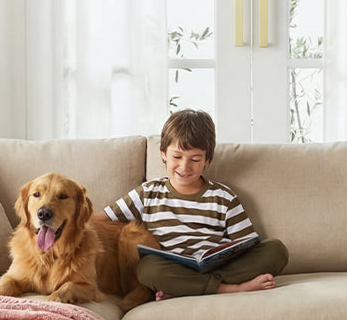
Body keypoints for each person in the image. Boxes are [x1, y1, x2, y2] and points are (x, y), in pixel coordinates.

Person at [103, 109, 288, 300]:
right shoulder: (147, 193)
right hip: (173, 268)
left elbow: (248, 245)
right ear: (163, 154)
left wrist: (229, 254)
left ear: (207, 160)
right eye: (177, 157)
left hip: (217, 266)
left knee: (276, 250)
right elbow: (99, 219)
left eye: (195, 159)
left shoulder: (223, 197)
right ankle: (230, 289)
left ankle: (184, 289)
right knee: (147, 269)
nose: (185, 167)